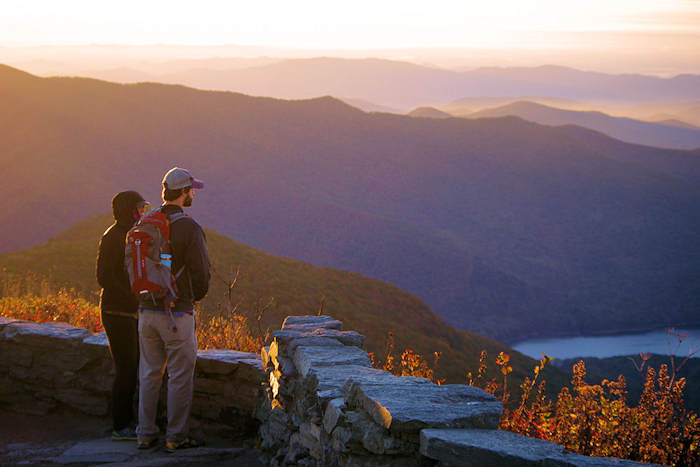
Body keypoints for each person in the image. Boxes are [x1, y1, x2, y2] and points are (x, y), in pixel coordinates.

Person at [136, 167, 210, 452]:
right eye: (192, 190)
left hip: (146, 310)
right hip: (176, 311)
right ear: (182, 193)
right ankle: (175, 436)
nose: (193, 194)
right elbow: (200, 271)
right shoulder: (189, 227)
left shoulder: (145, 222)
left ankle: (145, 433)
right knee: (180, 375)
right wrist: (194, 298)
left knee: (149, 373)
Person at [97, 190, 150, 441]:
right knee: (126, 368)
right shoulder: (113, 237)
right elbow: (104, 277)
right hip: (116, 311)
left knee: (135, 365)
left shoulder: (131, 235)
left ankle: (130, 420)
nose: (142, 213)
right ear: (128, 210)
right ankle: (121, 425)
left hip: (130, 311)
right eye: (139, 208)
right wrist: (131, 296)